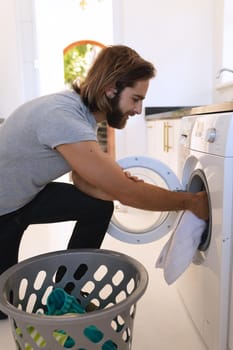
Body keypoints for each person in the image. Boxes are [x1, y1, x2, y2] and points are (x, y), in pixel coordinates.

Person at [0, 45, 209, 319]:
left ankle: (67, 291)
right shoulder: (64, 117)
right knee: (3, 309)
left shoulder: (78, 113)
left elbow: (82, 180)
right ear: (111, 89)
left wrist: (110, 185)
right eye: (135, 98)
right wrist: (189, 201)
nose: (138, 109)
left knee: (98, 207)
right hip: (4, 210)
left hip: (24, 197)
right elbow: (127, 193)